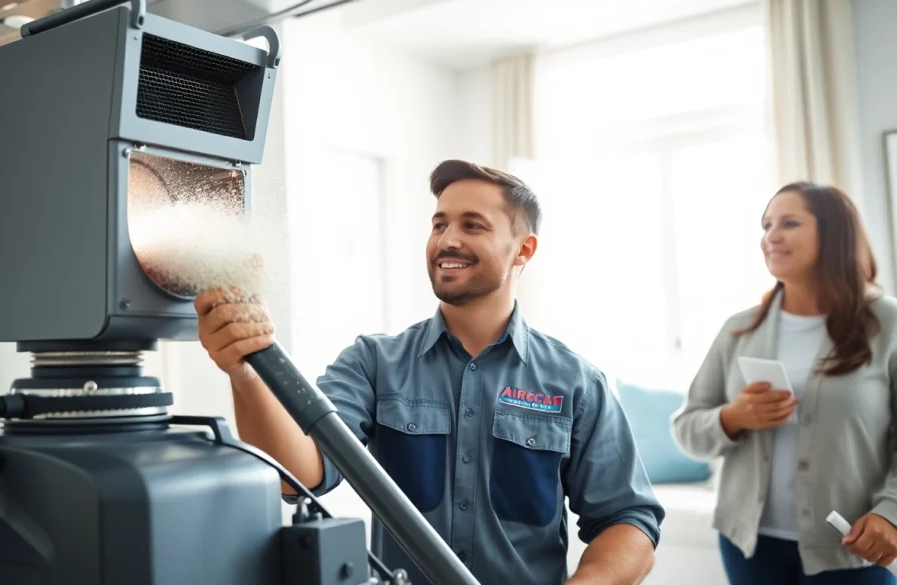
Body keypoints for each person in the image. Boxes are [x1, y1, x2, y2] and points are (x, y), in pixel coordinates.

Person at [195, 159, 665, 585]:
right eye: (439, 224)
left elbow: (628, 520)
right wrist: (246, 373)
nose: (447, 239)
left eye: (472, 225)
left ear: (524, 250)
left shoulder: (576, 383)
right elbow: (297, 473)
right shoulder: (373, 364)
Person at [672, 181, 897, 585]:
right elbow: (687, 428)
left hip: (851, 549)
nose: (770, 236)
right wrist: (731, 417)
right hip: (749, 546)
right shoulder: (737, 329)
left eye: (789, 223)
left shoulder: (888, 325)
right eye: (766, 225)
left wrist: (891, 512)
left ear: (834, 234)